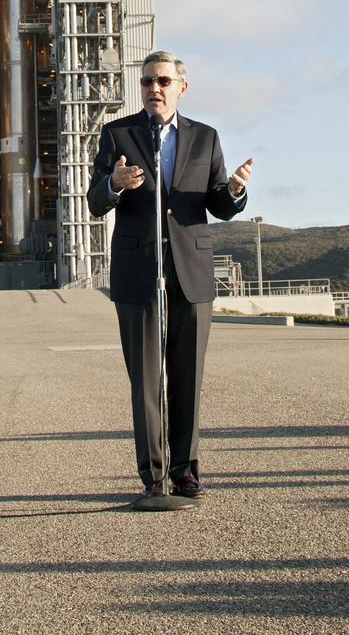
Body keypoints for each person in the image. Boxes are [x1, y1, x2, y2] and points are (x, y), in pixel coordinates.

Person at [87, 50, 254, 499]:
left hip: (191, 270)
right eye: (146, 82)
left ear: (182, 87)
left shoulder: (205, 138)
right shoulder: (117, 133)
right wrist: (114, 185)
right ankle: (154, 476)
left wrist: (235, 190)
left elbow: (218, 205)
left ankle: (185, 469)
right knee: (145, 379)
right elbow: (94, 200)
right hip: (136, 267)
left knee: (187, 373)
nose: (153, 89)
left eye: (162, 81)